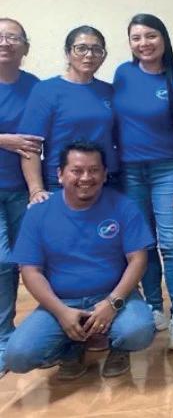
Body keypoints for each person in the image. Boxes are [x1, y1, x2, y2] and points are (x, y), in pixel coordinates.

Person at [4, 141, 155, 380]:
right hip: (61, 302)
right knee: (18, 356)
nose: (85, 177)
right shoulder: (38, 214)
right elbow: (30, 271)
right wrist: (61, 312)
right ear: (60, 174)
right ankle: (69, 348)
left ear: (104, 174)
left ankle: (118, 348)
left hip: (113, 296)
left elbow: (138, 259)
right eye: (77, 170)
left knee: (138, 332)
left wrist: (112, 303)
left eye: (94, 170)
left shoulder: (123, 206)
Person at [113, 13, 173, 349]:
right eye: (136, 38)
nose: (144, 43)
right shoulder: (123, 73)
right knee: (142, 245)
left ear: (163, 38)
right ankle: (154, 307)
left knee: (171, 244)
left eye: (150, 36)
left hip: (166, 172)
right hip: (129, 172)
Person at [19, 26, 117, 199]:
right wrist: (36, 190)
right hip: (62, 182)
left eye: (96, 50)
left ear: (103, 55)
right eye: (81, 48)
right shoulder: (46, 90)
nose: (89, 55)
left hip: (105, 179)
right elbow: (30, 145)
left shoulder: (108, 91)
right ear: (67, 53)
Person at [0, 18, 41, 378]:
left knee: (24, 260)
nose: (5, 43)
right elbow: (19, 140)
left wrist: (36, 189)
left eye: (13, 38)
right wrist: (4, 140)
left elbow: (38, 139)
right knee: (1, 261)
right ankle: (3, 339)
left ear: (25, 47)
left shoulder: (35, 87)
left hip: (22, 188)